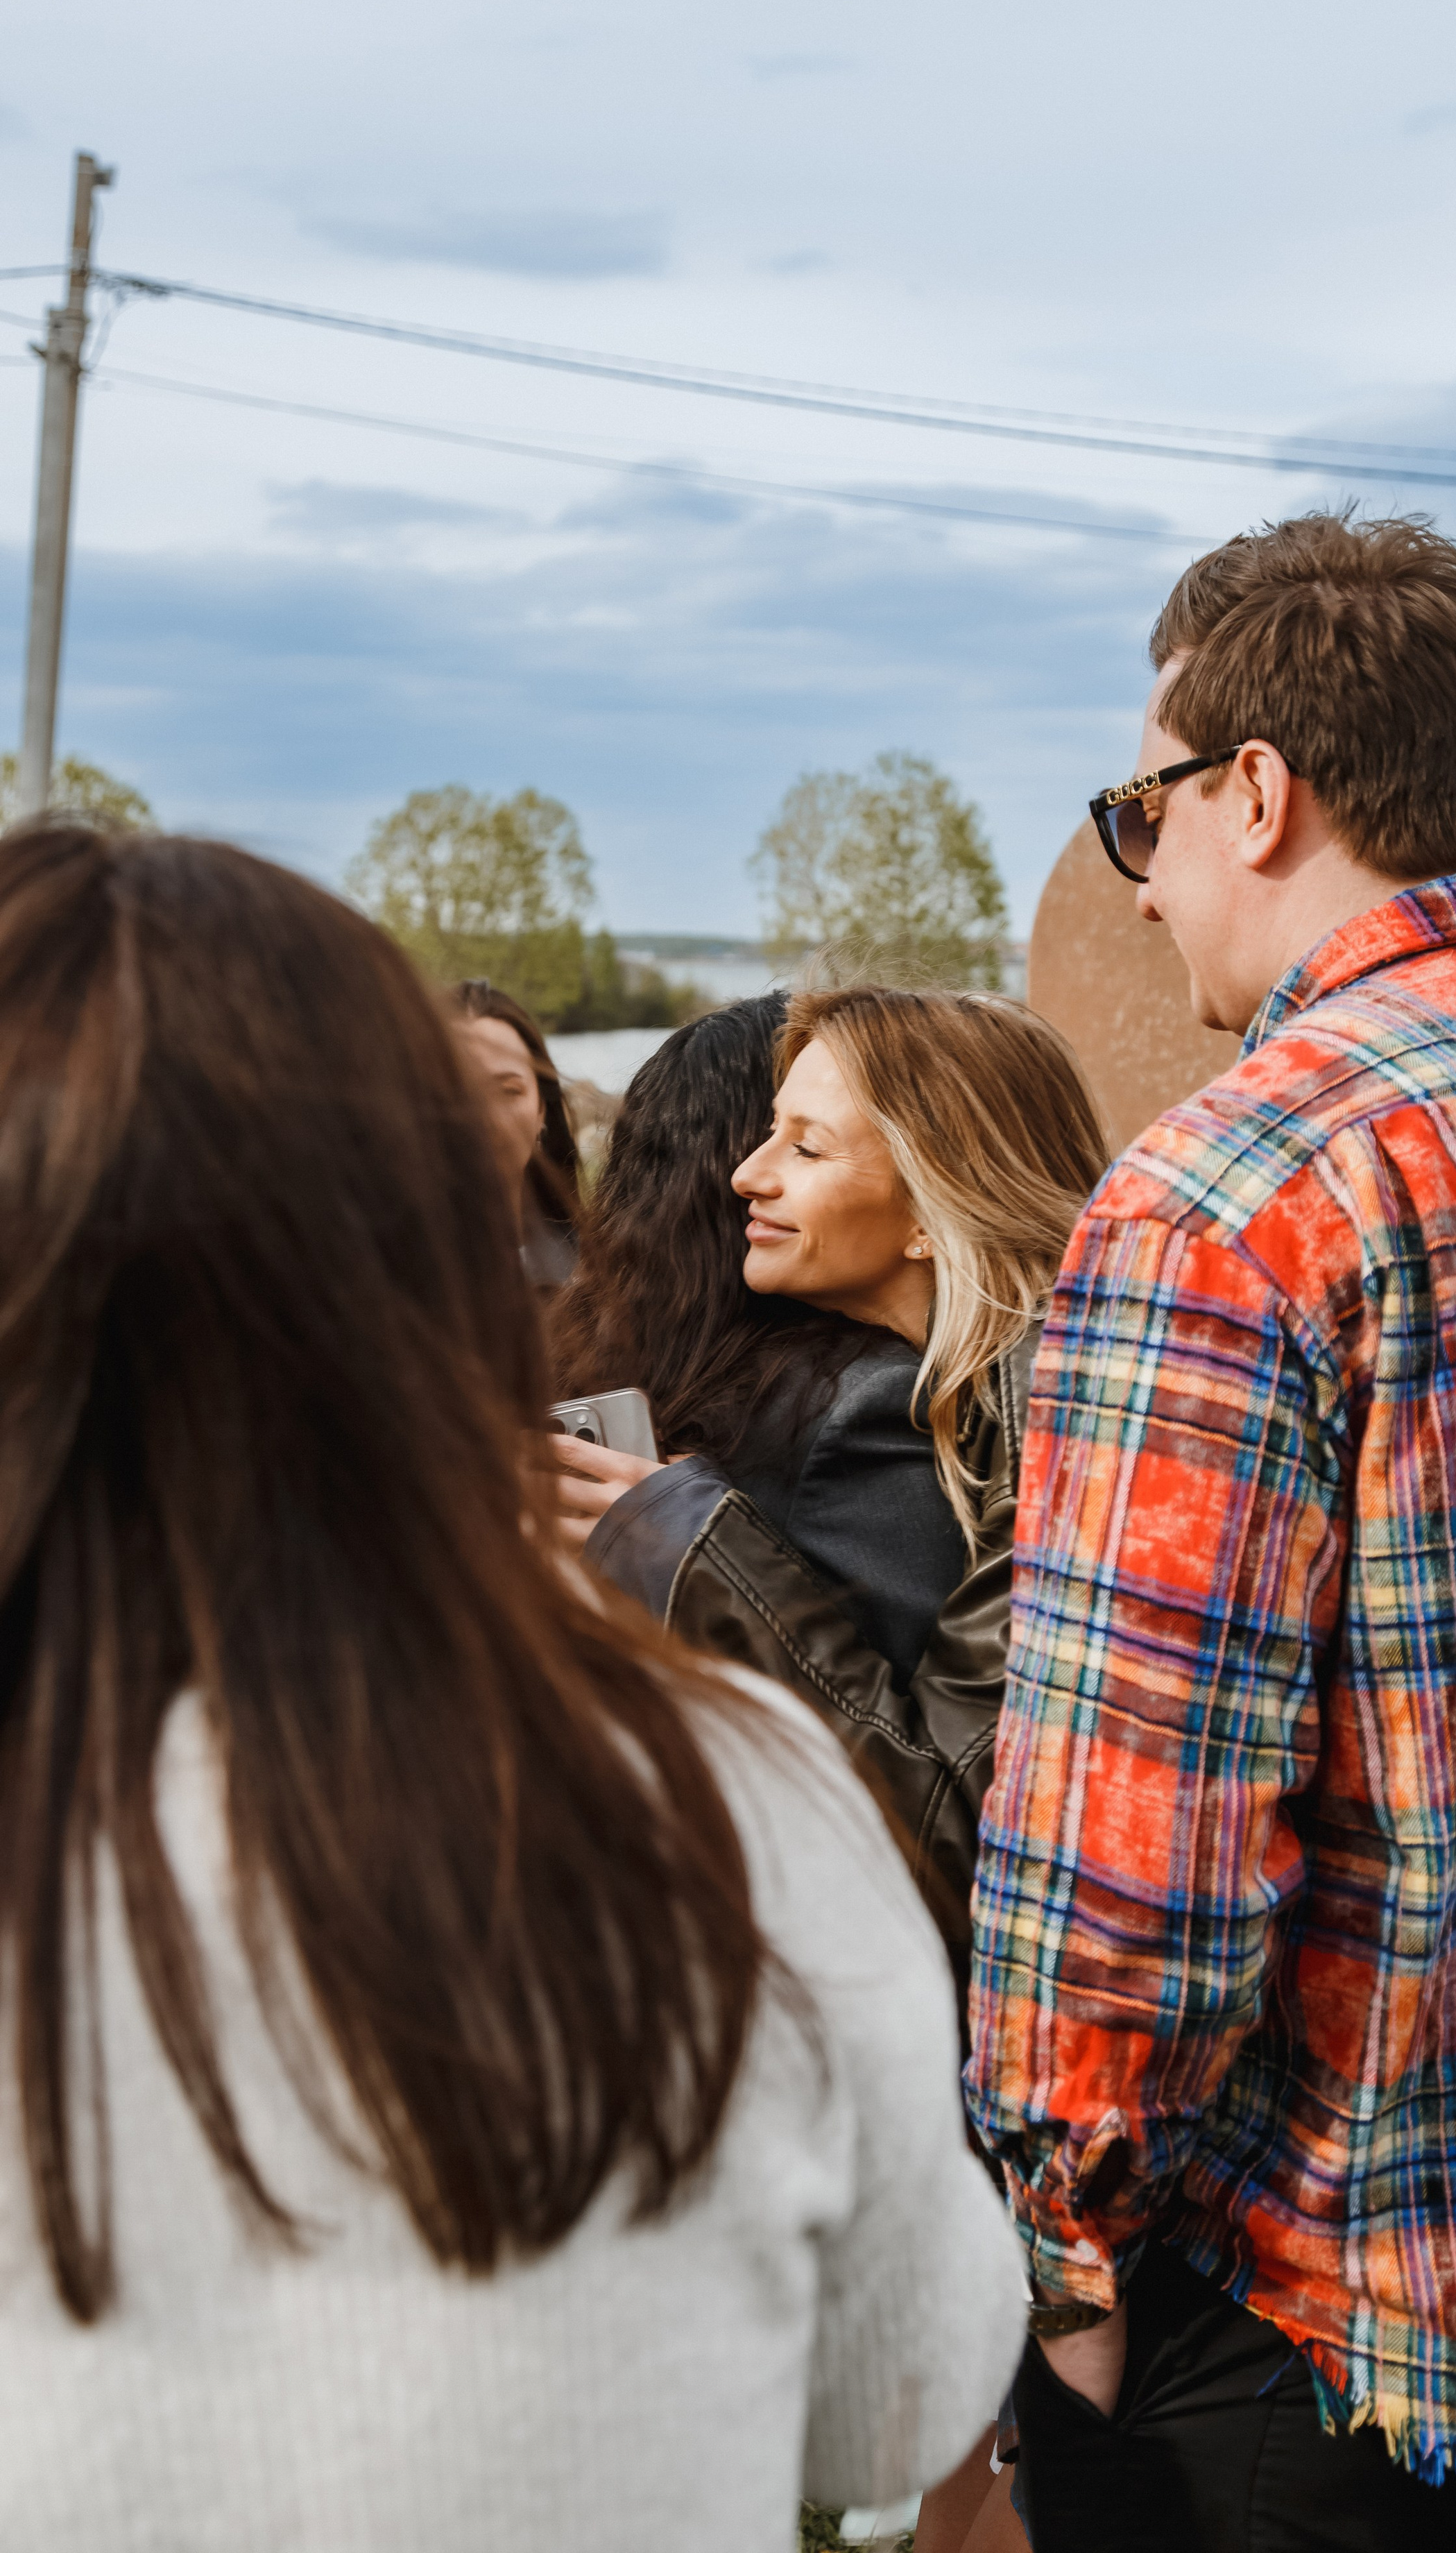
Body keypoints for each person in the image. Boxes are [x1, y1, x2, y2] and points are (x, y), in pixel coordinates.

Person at [0, 825, 1026, 2553]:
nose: (744, 1183)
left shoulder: (897, 1478)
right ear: (415, 1241)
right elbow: (896, 2404)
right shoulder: (719, 1788)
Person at [966, 511, 1456, 2547]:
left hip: (1348, 2345)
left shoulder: (1223, 1196)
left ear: (1257, 790)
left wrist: (1064, 2278)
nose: (1137, 886)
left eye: (1138, 812)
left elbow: (1122, 1866)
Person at [577, 986, 1108, 1974]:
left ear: (929, 1204)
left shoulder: (1057, 1420)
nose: (745, 1174)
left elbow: (956, 1834)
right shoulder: (987, 1394)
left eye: (805, 1149)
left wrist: (690, 1538)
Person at [550, 994, 966, 1682]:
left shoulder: (578, 1357)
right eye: (776, 1134)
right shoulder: (867, 1403)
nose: (757, 1175)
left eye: (805, 1142)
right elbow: (918, 1743)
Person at [447, 977, 580, 1288]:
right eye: (456, 1092)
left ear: (541, 1112)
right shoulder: (375, 1277)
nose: (485, 1118)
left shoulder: (590, 1276)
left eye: (508, 1091)